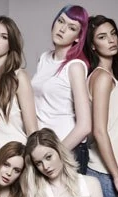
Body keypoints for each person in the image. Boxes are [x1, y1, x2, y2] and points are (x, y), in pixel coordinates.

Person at [0, 16, 38, 183]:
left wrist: (33, 170)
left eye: (4, 37)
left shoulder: (19, 77)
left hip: (14, 166)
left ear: (12, 44)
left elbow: (32, 130)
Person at [31, 5, 91, 173]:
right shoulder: (44, 58)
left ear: (78, 37)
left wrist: (57, 154)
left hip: (67, 150)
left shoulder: (75, 66)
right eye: (61, 21)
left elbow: (85, 126)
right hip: (43, 150)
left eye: (71, 28)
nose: (62, 29)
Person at [83, 15, 118, 197]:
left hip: (110, 170)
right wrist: (117, 176)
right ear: (93, 45)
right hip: (105, 173)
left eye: (113, 34)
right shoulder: (102, 77)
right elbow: (99, 131)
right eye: (102, 37)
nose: (111, 40)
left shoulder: (108, 77)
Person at [25, 128, 104, 197]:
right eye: (38, 163)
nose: (45, 166)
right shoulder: (34, 192)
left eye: (48, 157)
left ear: (59, 151)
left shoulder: (91, 184)